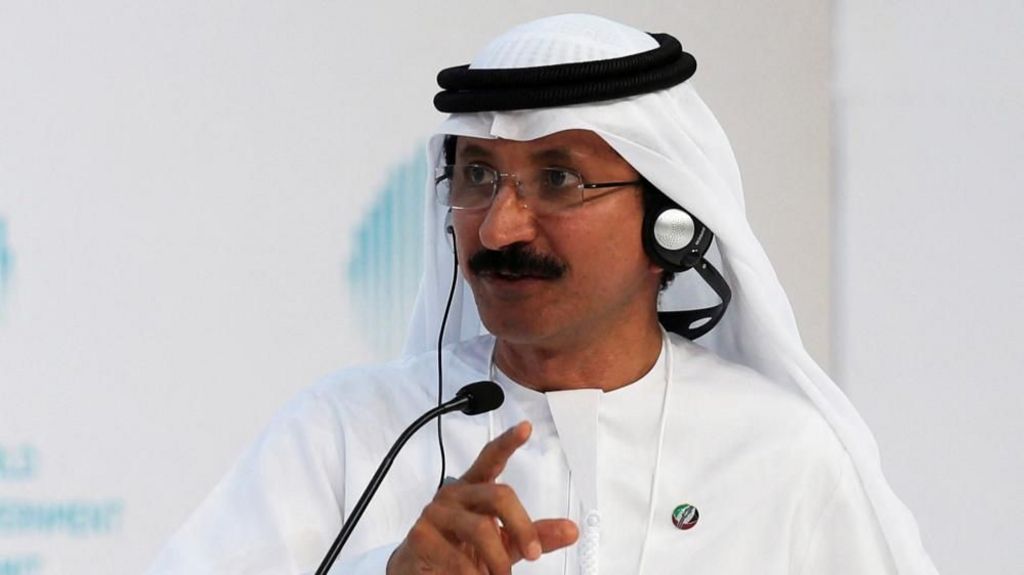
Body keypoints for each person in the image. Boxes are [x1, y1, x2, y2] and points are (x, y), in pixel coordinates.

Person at [147, 14, 938, 575]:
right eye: (477, 175)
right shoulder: (348, 431)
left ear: (668, 222)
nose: (498, 227)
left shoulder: (780, 453)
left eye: (559, 179)